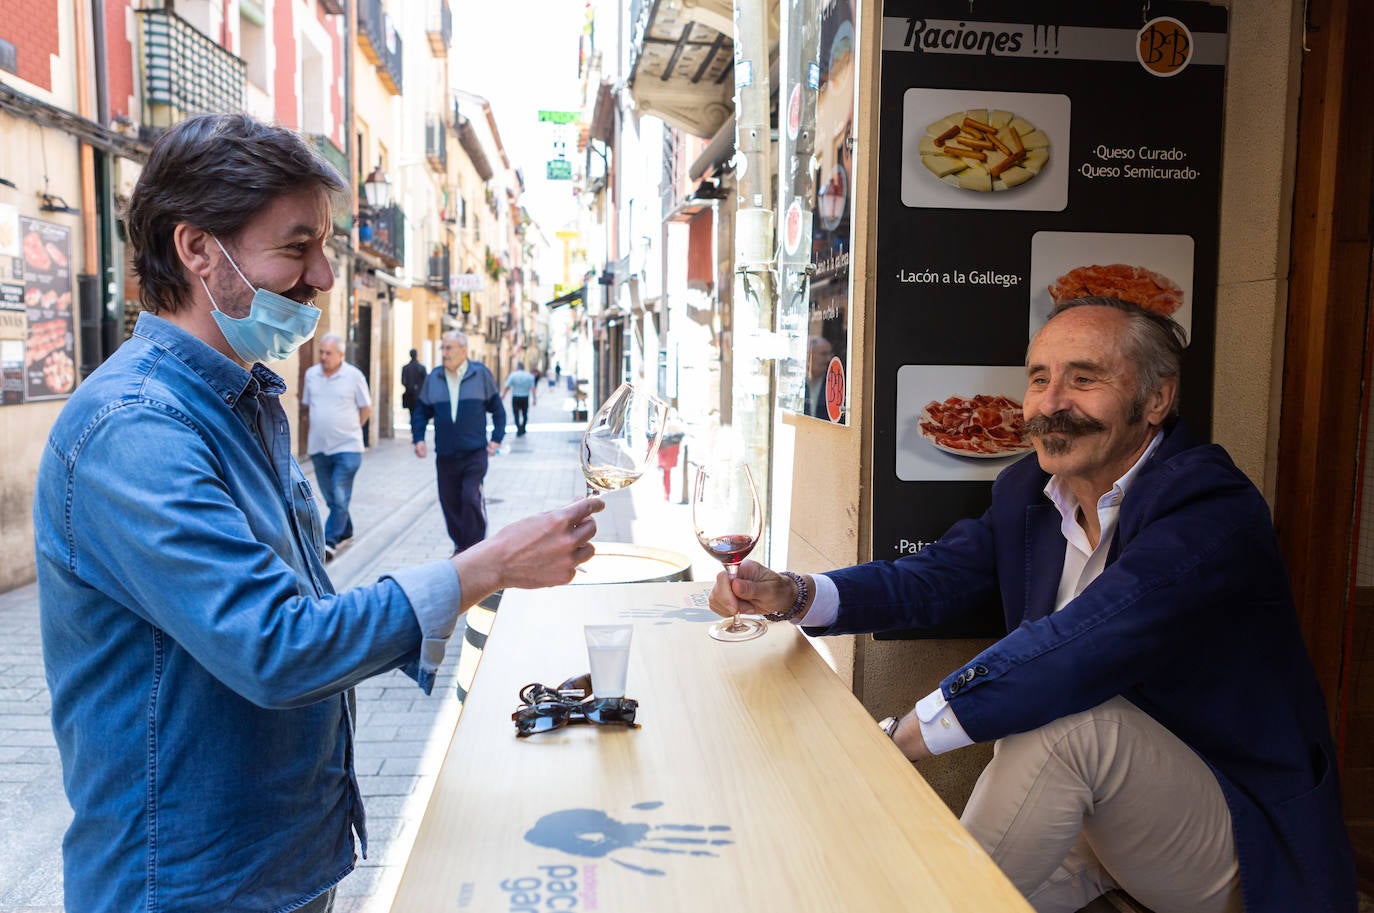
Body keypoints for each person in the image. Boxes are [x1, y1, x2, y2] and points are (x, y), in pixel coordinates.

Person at [32, 112, 605, 913]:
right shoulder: (134, 429)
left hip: (283, 863)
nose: (325, 277)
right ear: (197, 249)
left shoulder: (243, 399)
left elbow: (303, 607)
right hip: (191, 886)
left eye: (324, 248)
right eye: (297, 248)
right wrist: (485, 568)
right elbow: (274, 645)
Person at [710, 298, 1356, 913]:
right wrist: (793, 592)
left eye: (1084, 378)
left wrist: (895, 739)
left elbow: (1087, 640)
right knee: (887, 895)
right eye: (1039, 378)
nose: (1051, 404)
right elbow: (932, 578)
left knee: (1065, 727)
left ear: (1156, 398)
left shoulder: (1209, 505)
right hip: (1099, 829)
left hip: (1237, 839)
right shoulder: (1031, 491)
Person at [411, 332, 506, 553]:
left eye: (449, 348)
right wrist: (418, 439)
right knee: (449, 502)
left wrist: (496, 439)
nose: (444, 353)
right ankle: (461, 544)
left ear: (463, 351)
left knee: (470, 496)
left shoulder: (480, 374)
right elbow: (421, 412)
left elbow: (498, 410)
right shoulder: (434, 377)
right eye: (442, 348)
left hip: (474, 453)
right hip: (445, 455)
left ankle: (473, 548)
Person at [302, 332, 371, 558]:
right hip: (319, 447)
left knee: (339, 494)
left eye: (328, 353)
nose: (323, 356)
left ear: (341, 355)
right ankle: (346, 530)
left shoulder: (354, 376)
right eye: (321, 352)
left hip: (348, 447)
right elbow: (307, 405)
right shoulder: (312, 375)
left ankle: (329, 542)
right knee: (332, 497)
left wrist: (351, 430)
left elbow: (366, 408)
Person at [501, 361, 538, 436]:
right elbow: (533, 388)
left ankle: (518, 428)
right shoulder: (529, 376)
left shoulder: (513, 375)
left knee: (516, 413)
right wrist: (534, 399)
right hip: (525, 397)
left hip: (516, 397)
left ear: (518, 367)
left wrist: (503, 396)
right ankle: (523, 428)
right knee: (525, 413)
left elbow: (507, 386)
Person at [804, 335, 832, 419]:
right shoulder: (798, 380)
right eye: (823, 354)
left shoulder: (832, 383)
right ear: (809, 356)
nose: (829, 359)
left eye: (830, 354)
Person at [400, 347, 426, 423]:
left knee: (413, 413)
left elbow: (403, 381)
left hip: (410, 394)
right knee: (417, 413)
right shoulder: (421, 367)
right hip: (417, 395)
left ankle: (414, 427)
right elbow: (425, 381)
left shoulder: (406, 368)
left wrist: (409, 387)